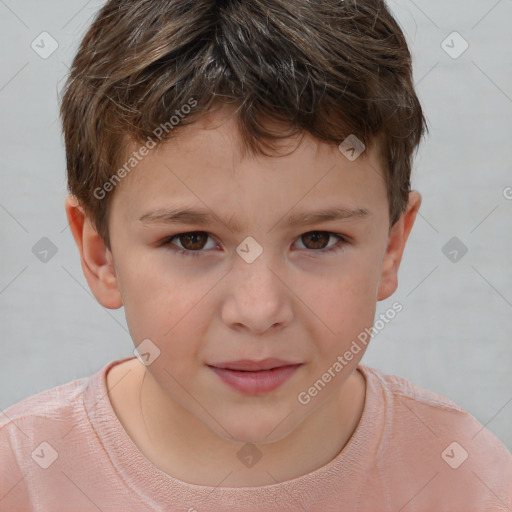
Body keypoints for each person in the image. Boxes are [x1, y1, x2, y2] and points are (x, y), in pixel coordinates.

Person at [1, 0, 511, 510]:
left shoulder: (465, 476)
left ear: (391, 249)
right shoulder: (22, 472)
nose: (260, 310)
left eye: (317, 239)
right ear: (100, 255)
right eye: (192, 240)